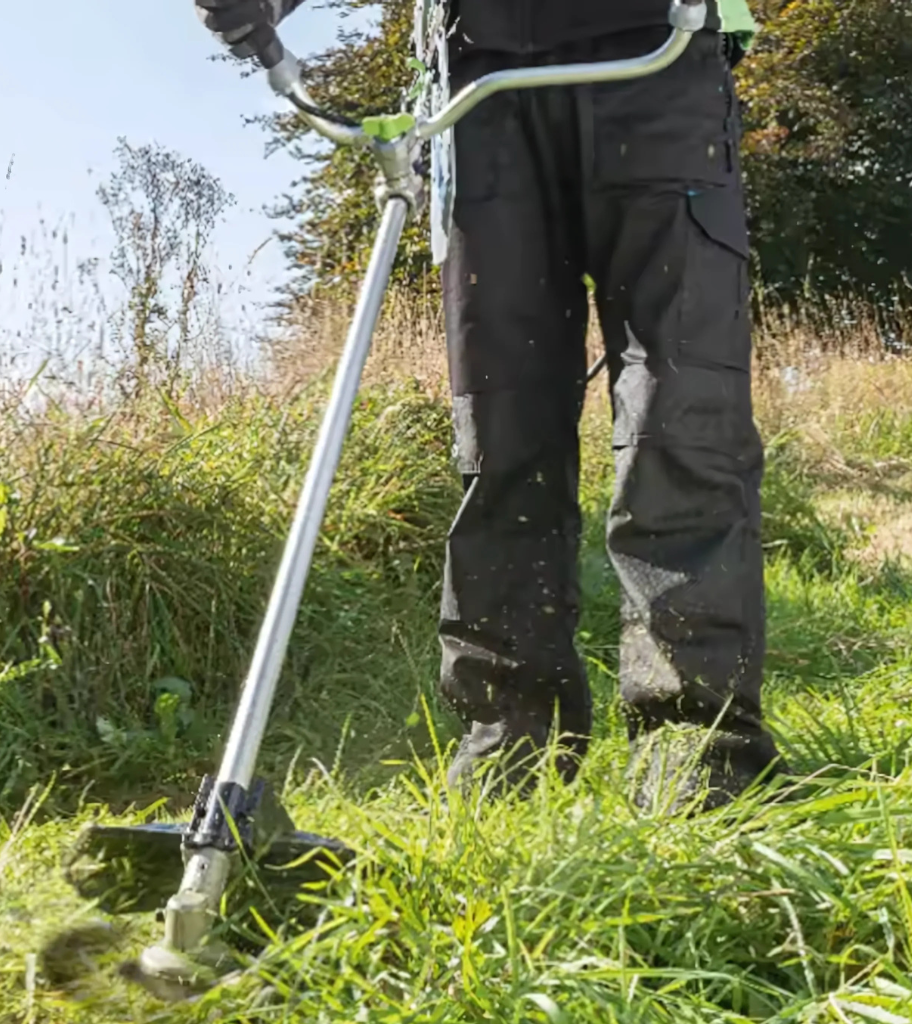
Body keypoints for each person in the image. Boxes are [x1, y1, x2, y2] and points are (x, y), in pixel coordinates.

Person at [195, 0, 785, 813]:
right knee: (501, 433)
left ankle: (696, 744)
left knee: (680, 417)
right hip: (481, 75)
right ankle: (510, 740)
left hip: (659, 52)